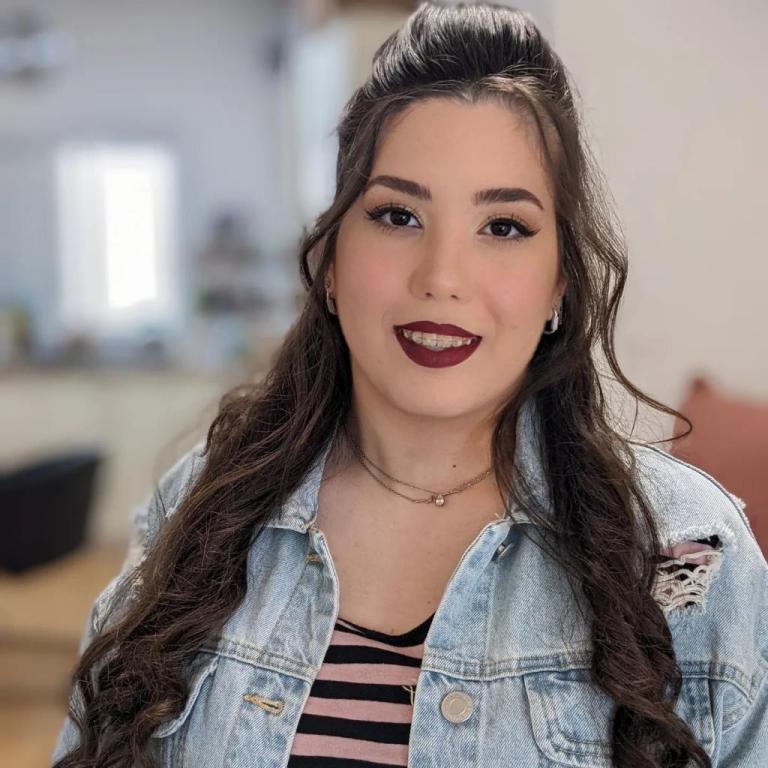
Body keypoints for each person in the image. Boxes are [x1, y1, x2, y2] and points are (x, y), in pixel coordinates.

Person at [52, 3, 767, 767]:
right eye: (397, 215)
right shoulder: (200, 507)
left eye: (504, 226)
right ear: (331, 261)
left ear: (559, 283)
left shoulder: (686, 552)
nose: (442, 278)